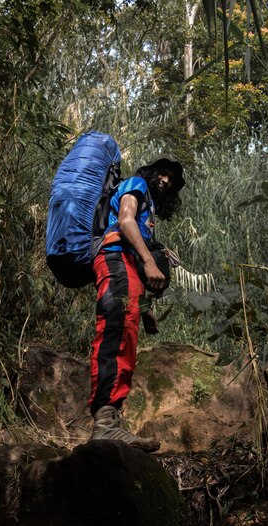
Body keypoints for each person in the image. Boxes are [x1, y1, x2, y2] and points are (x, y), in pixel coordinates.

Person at [88, 154, 185, 452]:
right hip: (116, 260)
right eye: (163, 173)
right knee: (116, 331)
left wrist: (145, 310)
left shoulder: (150, 208)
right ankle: (105, 425)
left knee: (125, 332)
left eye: (171, 179)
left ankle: (111, 421)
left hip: (124, 267)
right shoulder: (136, 184)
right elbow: (125, 221)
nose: (166, 180)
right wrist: (148, 260)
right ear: (152, 171)